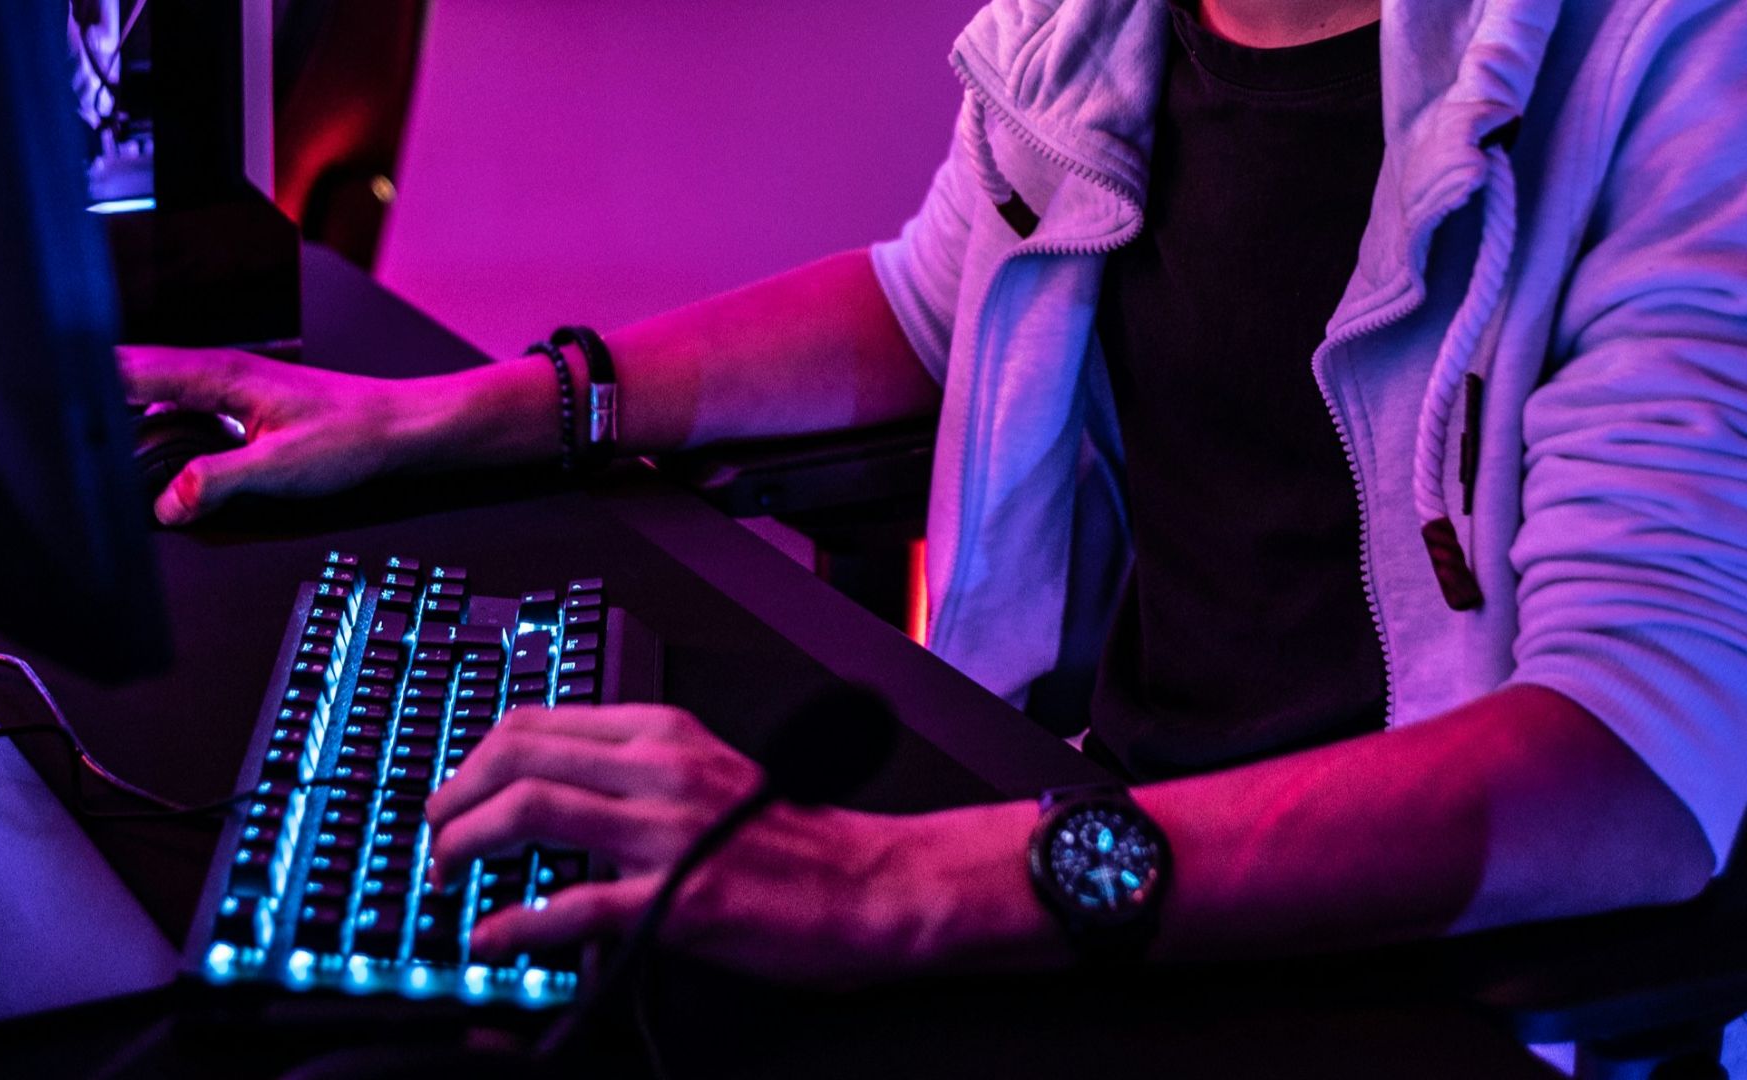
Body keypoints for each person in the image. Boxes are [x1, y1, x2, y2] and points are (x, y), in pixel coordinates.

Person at [122, 0, 1745, 991]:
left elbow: (1627, 760)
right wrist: (452, 415)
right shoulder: (1099, 22)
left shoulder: (1672, 56)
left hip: (1431, 983)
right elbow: (927, 298)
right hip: (1098, 844)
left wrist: (889, 883)